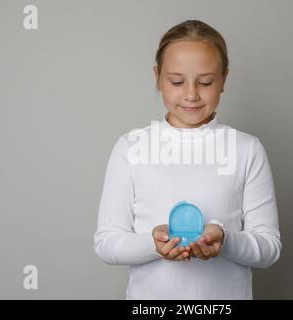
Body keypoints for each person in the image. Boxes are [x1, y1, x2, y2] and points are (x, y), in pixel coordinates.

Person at [94, 19, 282, 300]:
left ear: (224, 79)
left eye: (205, 82)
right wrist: (153, 244)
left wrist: (225, 239)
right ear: (158, 77)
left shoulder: (246, 150)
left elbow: (269, 248)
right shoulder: (131, 148)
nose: (192, 93)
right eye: (177, 81)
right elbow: (107, 243)